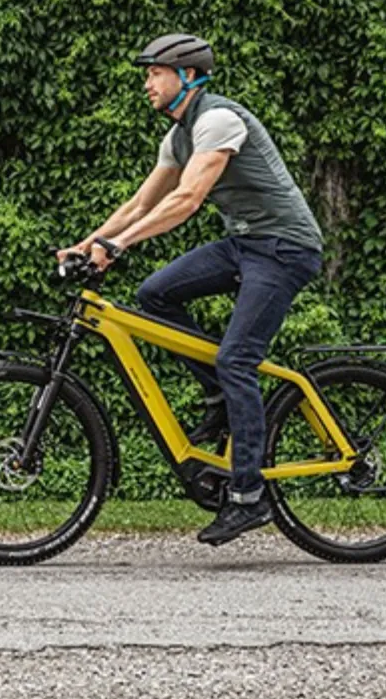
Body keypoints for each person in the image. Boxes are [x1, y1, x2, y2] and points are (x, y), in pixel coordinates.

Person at [57, 33, 324, 546]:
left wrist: (118, 247)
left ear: (187, 75)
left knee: (238, 359)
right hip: (245, 244)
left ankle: (248, 497)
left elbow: (188, 200)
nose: (146, 83)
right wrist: (87, 243)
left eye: (155, 72)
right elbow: (138, 205)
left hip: (285, 247)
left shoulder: (218, 120)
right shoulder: (177, 137)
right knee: (156, 294)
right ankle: (221, 397)